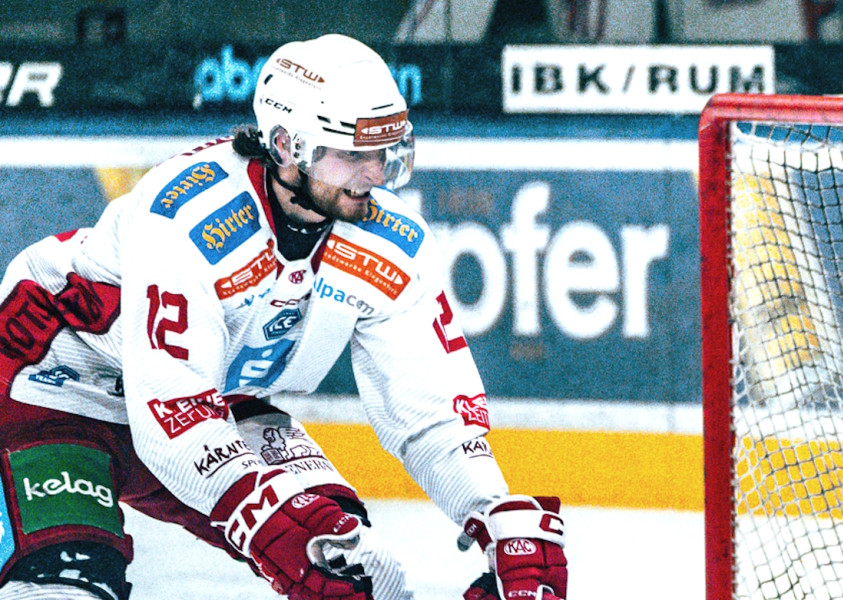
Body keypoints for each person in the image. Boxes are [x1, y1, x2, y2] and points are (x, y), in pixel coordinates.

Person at [0, 34, 566, 600]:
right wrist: (263, 517)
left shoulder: (393, 244)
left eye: (387, 149)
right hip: (48, 385)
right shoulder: (186, 213)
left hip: (208, 394)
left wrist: (493, 514)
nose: (375, 172)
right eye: (354, 152)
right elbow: (169, 410)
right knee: (66, 580)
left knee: (347, 565)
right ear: (287, 144)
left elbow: (430, 415)